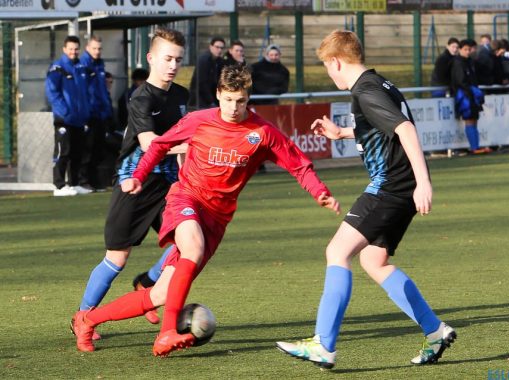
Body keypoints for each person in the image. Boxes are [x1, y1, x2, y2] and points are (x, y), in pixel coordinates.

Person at [71, 64, 340, 357]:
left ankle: (87, 319)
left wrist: (320, 192)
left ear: (248, 98)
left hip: (216, 219)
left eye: (240, 101)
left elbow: (298, 164)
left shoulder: (262, 132)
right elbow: (160, 145)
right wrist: (139, 174)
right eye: (228, 100)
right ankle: (166, 333)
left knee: (161, 293)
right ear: (218, 95)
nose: (234, 107)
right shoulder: (199, 120)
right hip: (185, 199)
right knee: (193, 249)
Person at [275, 30, 456, 369]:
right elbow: (382, 126)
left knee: (336, 251)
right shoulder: (379, 84)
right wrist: (341, 132)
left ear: (336, 62)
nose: (329, 75)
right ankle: (435, 331)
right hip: (399, 189)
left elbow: (404, 129)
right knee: (374, 261)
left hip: (390, 187)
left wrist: (424, 183)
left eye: (327, 68)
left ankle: (323, 344)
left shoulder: (365, 91)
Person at [73, 28, 190, 338]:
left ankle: (148, 282)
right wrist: (193, 146)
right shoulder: (140, 97)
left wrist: (185, 175)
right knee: (117, 256)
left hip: (167, 186)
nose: (173, 65)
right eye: (167, 58)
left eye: (178, 59)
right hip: (134, 184)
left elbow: (179, 139)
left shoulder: (181, 95)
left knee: (189, 241)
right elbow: (150, 142)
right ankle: (82, 316)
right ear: (151, 58)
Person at [45, 35, 91, 197]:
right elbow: (52, 92)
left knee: (77, 152)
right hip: (64, 118)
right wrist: (65, 112)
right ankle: (58, 185)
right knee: (63, 151)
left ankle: (74, 183)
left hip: (79, 119)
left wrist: (85, 112)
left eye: (76, 49)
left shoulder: (80, 67)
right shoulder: (57, 68)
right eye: (70, 49)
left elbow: (85, 93)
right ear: (64, 49)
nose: (73, 52)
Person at [80, 35, 113, 192]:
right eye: (94, 48)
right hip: (89, 114)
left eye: (99, 48)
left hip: (101, 114)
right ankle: (83, 180)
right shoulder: (83, 64)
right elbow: (83, 91)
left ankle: (95, 182)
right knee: (87, 149)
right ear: (87, 48)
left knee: (98, 149)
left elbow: (101, 90)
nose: (97, 51)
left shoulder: (100, 64)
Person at [451, 39, 489, 154]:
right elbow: (460, 81)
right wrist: (472, 90)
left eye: (469, 49)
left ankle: (476, 146)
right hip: (464, 96)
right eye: (465, 49)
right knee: (469, 119)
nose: (468, 52)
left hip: (471, 94)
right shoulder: (458, 63)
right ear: (460, 50)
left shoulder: (470, 62)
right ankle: (474, 147)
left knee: (474, 119)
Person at [188, 36, 225, 109]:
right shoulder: (204, 59)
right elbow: (202, 82)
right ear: (210, 47)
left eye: (221, 48)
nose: (219, 50)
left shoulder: (219, 61)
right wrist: (211, 101)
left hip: (211, 99)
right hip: (200, 100)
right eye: (217, 47)